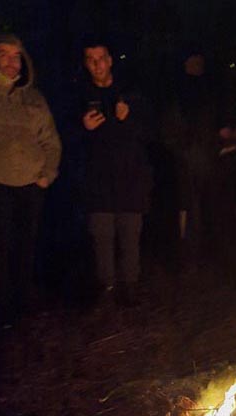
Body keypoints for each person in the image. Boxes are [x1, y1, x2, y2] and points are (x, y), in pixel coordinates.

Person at [0, 32, 62, 328]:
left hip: (31, 184)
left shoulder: (33, 98)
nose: (12, 61)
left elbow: (51, 141)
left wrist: (47, 174)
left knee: (26, 244)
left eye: (16, 56)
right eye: (5, 55)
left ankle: (22, 304)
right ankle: (0, 308)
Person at [79, 39, 153, 306]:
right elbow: (71, 143)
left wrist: (128, 119)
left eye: (101, 58)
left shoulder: (131, 95)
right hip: (98, 185)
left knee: (130, 237)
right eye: (91, 59)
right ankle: (106, 289)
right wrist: (83, 129)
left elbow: (148, 135)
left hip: (131, 182)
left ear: (110, 60)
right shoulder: (81, 97)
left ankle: (130, 289)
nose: (98, 64)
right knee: (102, 237)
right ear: (87, 63)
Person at [166, 51, 223, 269]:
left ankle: (209, 253)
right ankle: (189, 254)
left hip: (207, 158)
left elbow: (212, 123)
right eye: (194, 62)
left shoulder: (208, 90)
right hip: (187, 161)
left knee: (207, 206)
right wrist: (185, 148)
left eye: (201, 62)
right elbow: (171, 129)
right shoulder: (178, 93)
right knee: (189, 208)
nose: (198, 66)